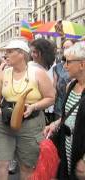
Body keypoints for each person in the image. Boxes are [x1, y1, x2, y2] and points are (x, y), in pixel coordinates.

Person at [0, 39, 55, 180]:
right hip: (5, 122)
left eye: (9, 52)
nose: (5, 55)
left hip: (30, 124)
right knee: (0, 162)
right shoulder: (4, 73)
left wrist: (33, 106)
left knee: (27, 166)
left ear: (21, 54)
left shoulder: (38, 73)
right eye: (5, 52)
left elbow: (51, 97)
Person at [43, 42, 85, 180]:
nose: (65, 66)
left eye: (68, 61)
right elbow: (68, 116)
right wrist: (54, 124)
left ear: (82, 64)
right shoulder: (70, 86)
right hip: (67, 148)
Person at [29, 38, 56, 124]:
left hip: (53, 109)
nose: (32, 55)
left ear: (43, 52)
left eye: (35, 52)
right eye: (31, 52)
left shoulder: (55, 67)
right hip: (34, 109)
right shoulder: (30, 66)